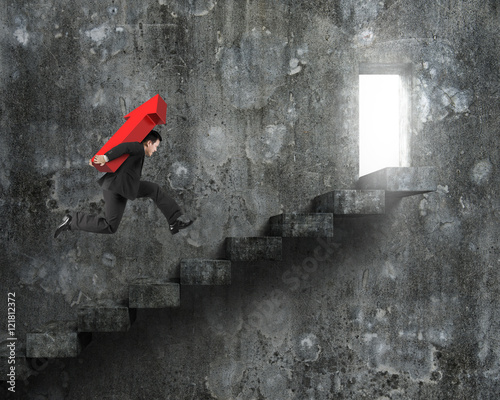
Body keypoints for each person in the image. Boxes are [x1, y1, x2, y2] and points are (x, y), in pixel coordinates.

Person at [54, 130, 192, 238]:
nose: (155, 150)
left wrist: (99, 159)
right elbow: (124, 147)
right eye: (156, 146)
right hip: (116, 187)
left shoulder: (139, 151)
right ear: (149, 143)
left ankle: (174, 223)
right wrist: (105, 157)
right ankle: (72, 221)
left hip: (122, 187)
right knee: (152, 190)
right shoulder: (138, 148)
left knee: (112, 226)